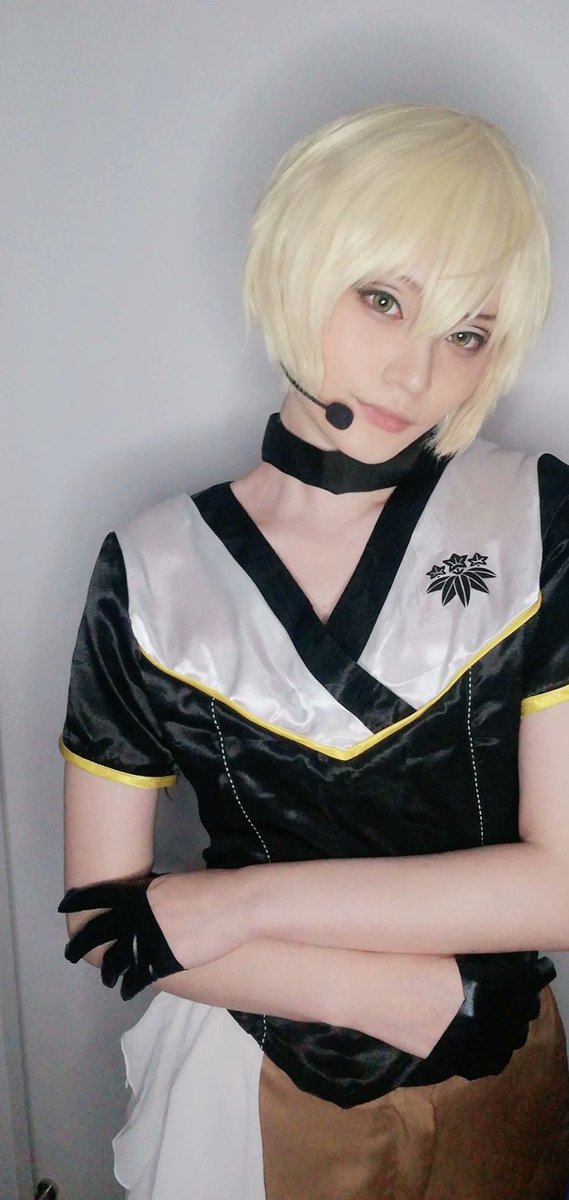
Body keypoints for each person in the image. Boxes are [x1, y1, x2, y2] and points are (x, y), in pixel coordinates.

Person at [59, 102, 569, 1200]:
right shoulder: (155, 568)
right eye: (382, 299)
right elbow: (105, 919)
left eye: (466, 333)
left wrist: (241, 904)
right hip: (252, 1084)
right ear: (299, 262)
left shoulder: (530, 517)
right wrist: (384, 995)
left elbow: (563, 884)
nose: (415, 373)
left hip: (499, 1076)